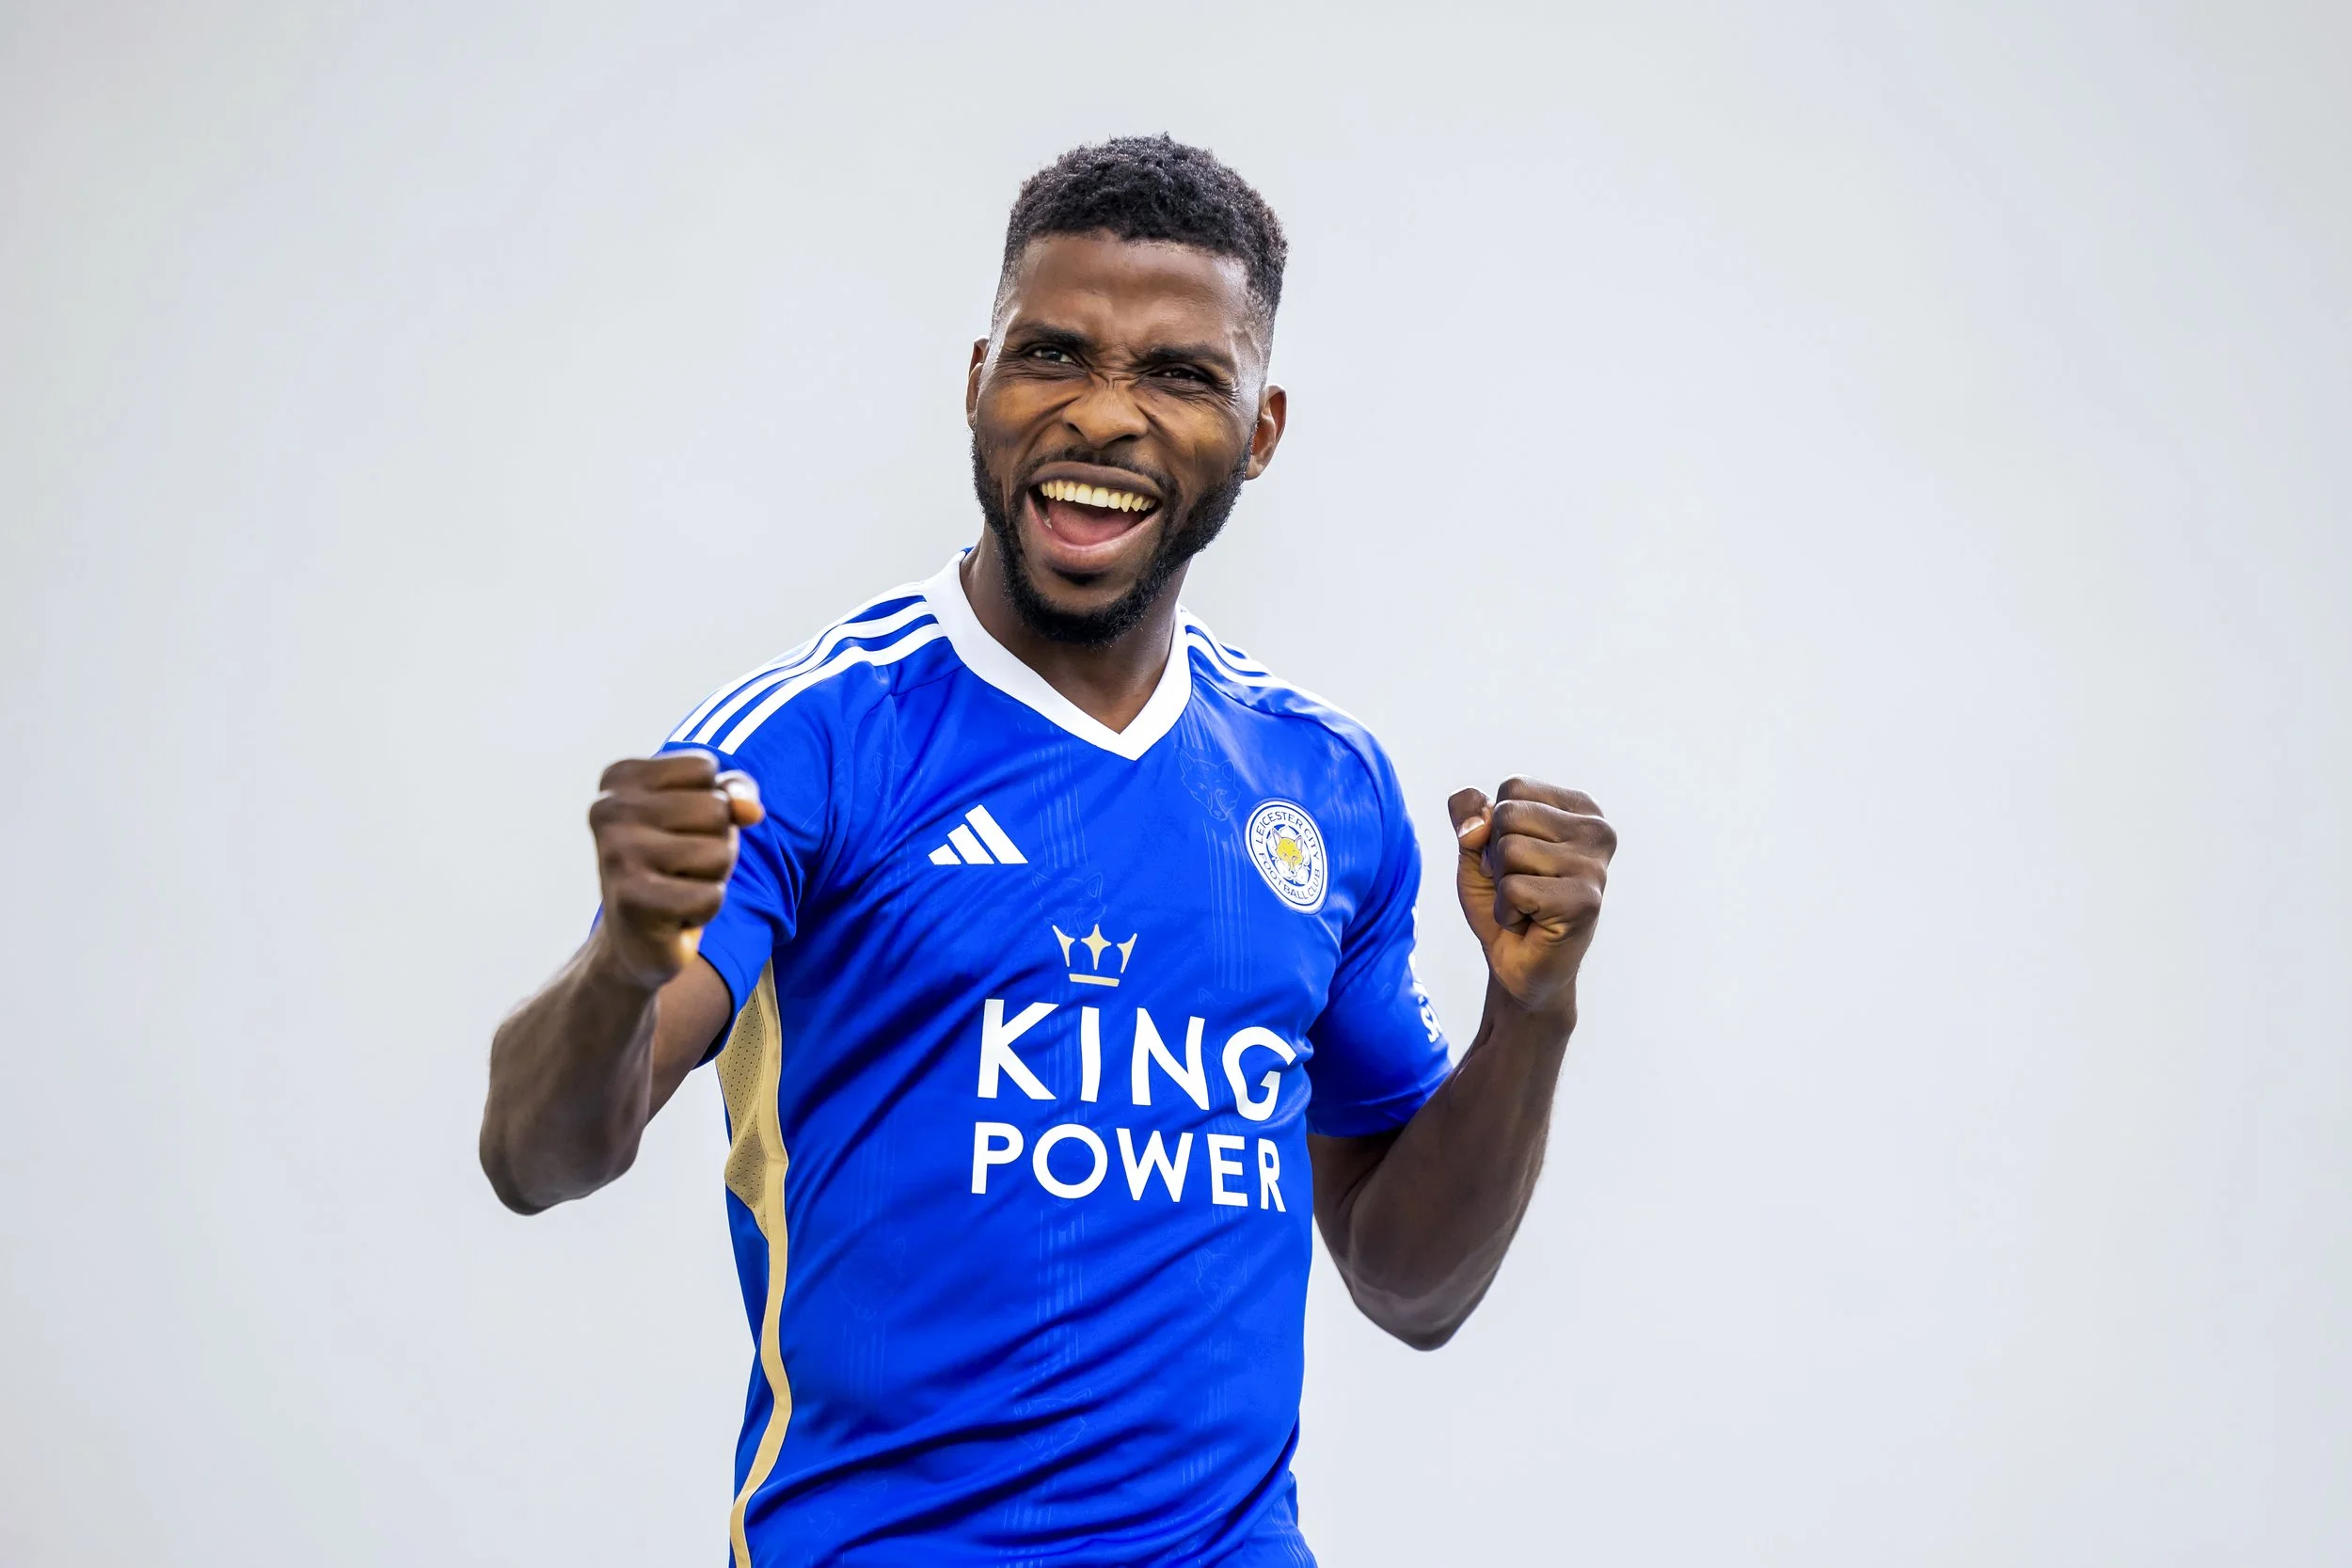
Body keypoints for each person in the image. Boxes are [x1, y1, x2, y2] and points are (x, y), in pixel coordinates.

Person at [478, 135, 1616, 1567]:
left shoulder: (1321, 786)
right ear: (979, 381)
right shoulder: (816, 740)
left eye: (1180, 376)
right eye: (1053, 355)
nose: (1102, 416)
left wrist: (1532, 1013)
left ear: (1261, 429)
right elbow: (535, 1156)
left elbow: (1411, 1287)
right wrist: (622, 966)